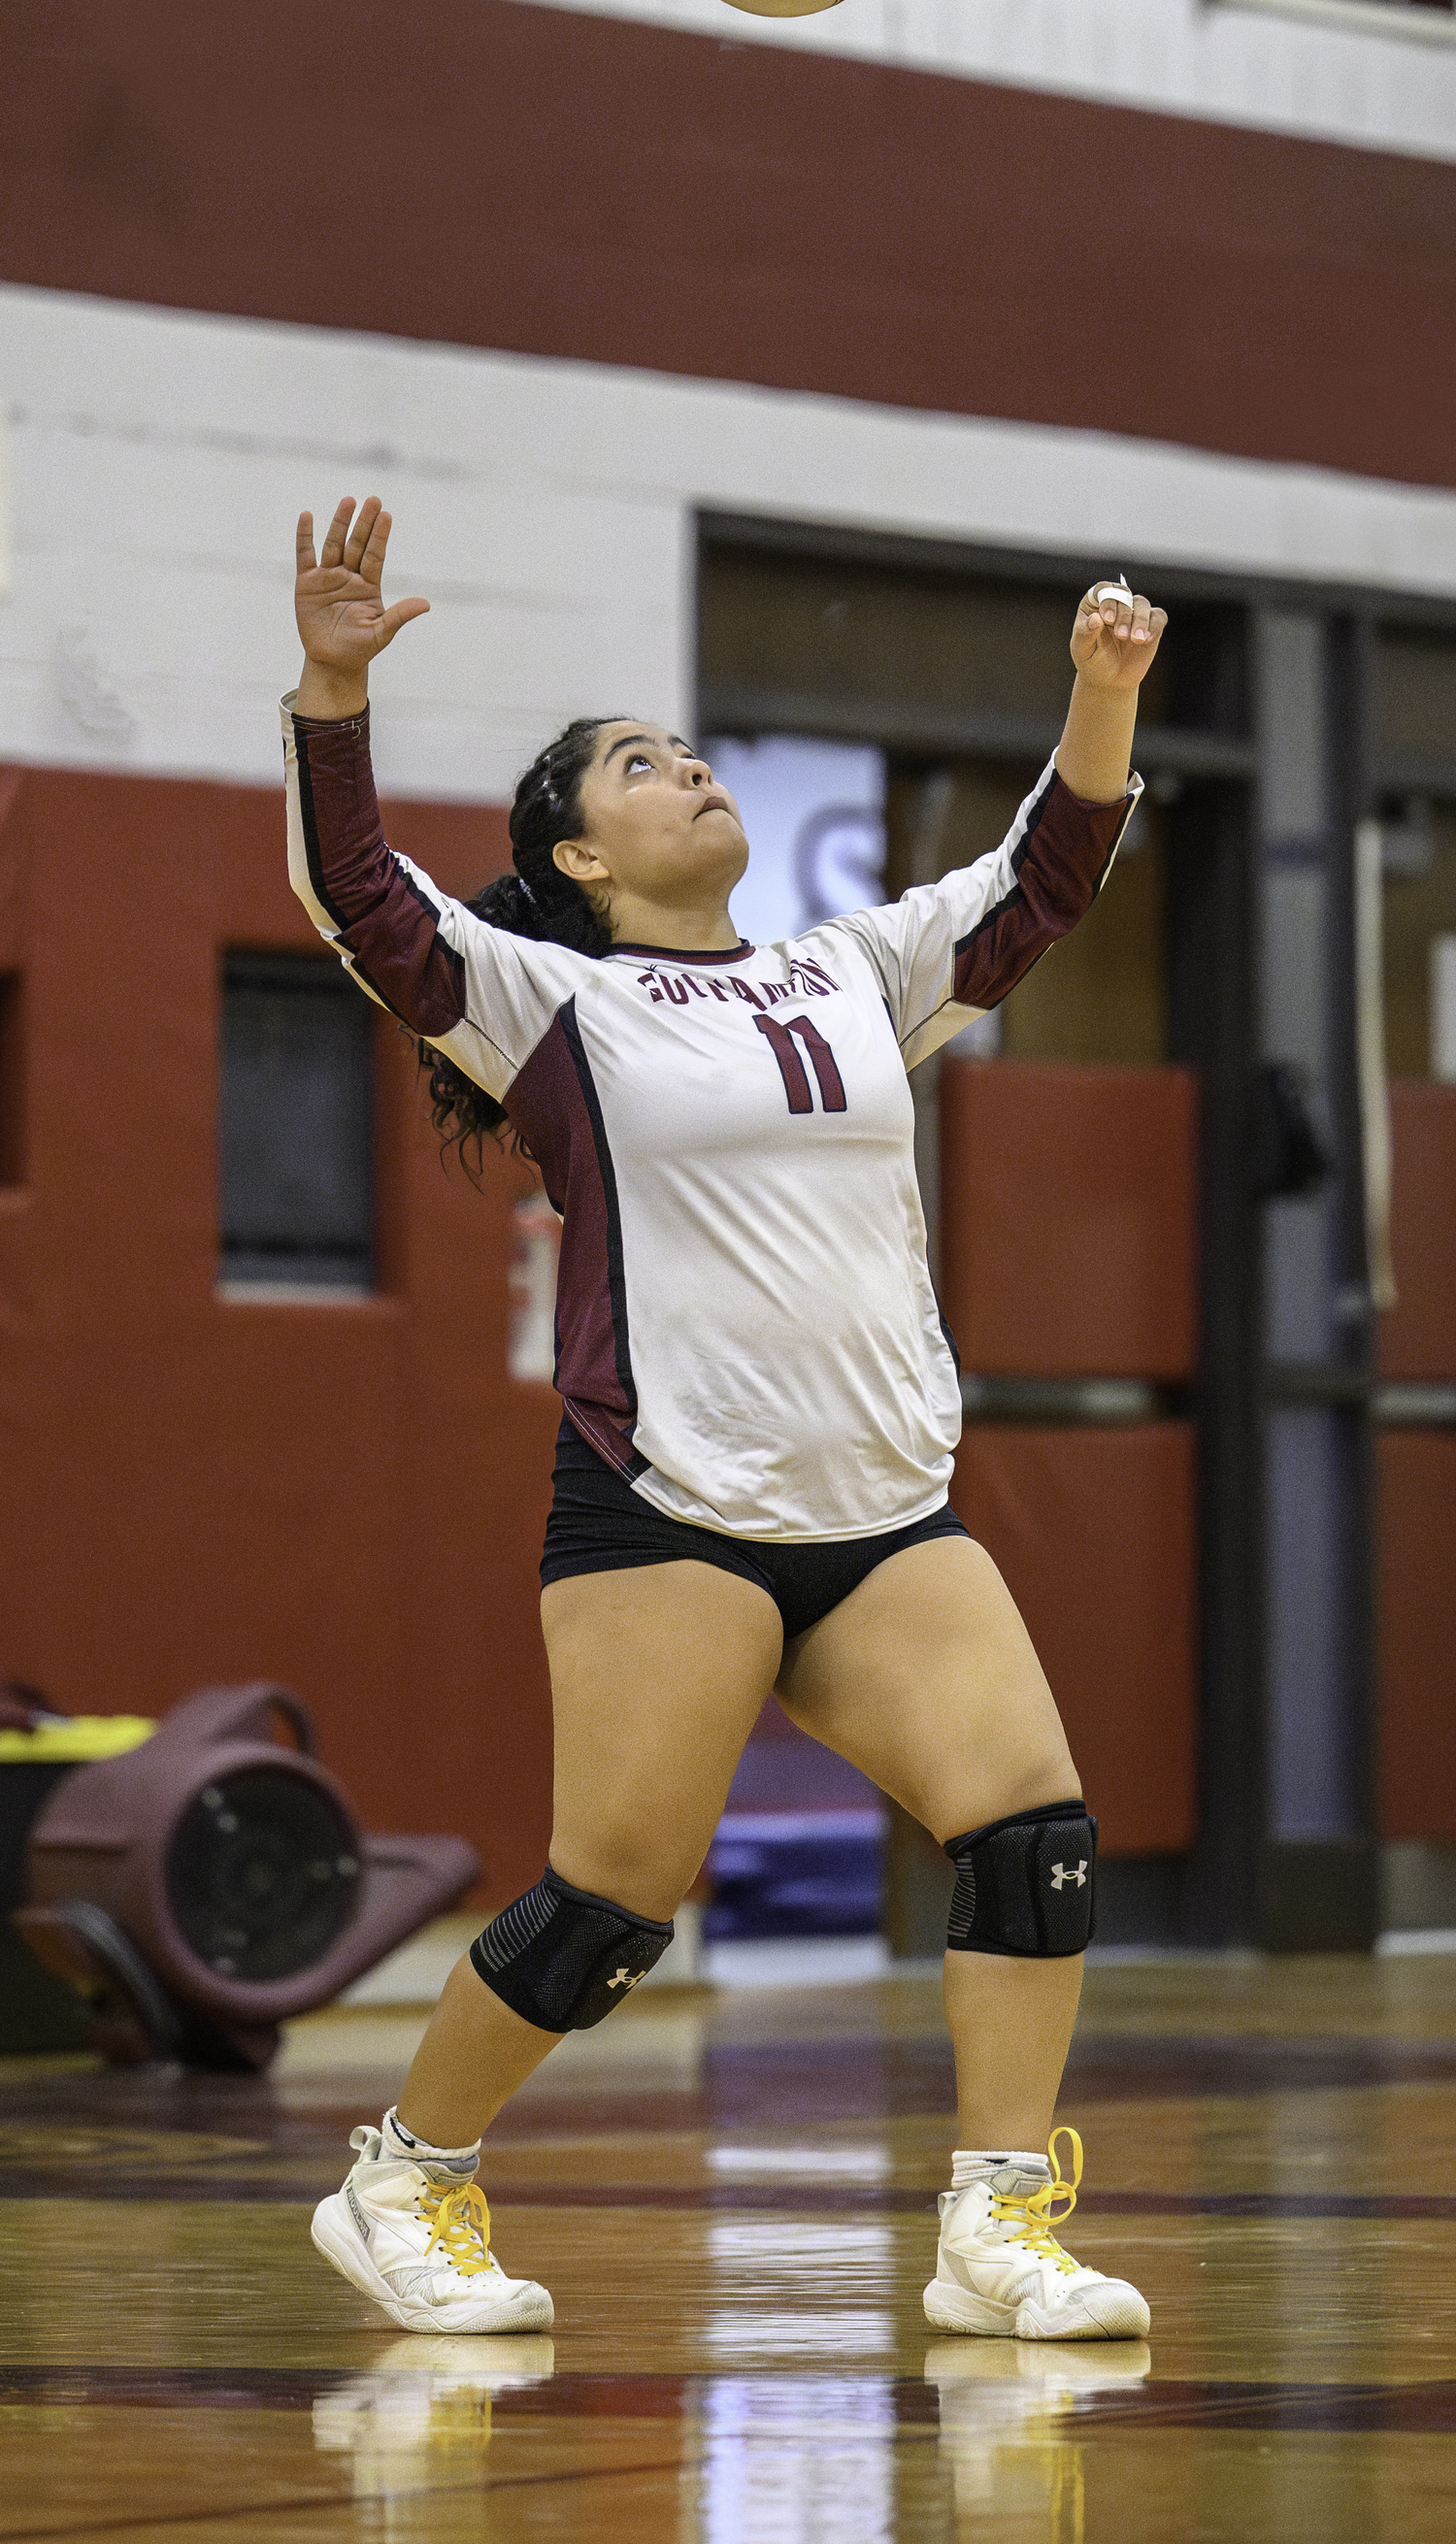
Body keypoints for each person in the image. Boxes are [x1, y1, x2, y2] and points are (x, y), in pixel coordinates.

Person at [294, 494, 1165, 2346]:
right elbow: (359, 899)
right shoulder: (551, 1005)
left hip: (884, 1510)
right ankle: (403, 2175)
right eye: (637, 765)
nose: (681, 768)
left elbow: (1047, 881)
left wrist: (1102, 695)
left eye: (684, 750)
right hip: (666, 1499)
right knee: (613, 1904)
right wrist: (331, 692)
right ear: (580, 860)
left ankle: (995, 2231)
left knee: (1032, 1836)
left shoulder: (847, 971)